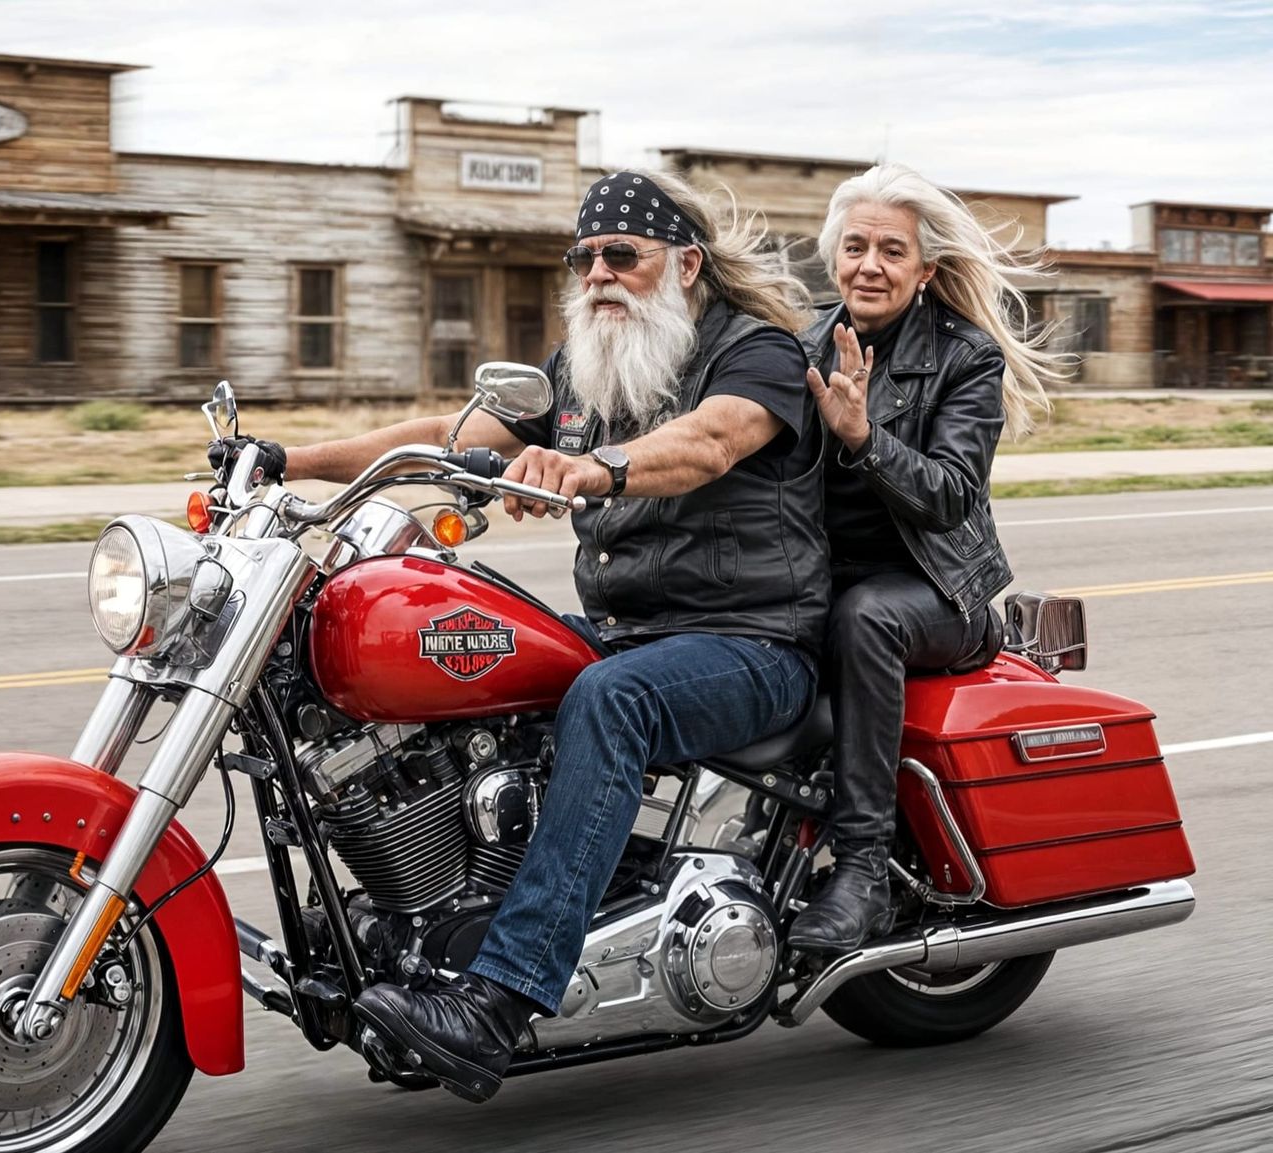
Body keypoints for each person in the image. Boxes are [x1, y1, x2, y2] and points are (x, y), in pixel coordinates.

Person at [277, 169, 829, 1102]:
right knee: (462, 655)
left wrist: (593, 467)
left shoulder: (755, 350)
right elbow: (445, 435)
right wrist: (288, 460)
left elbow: (710, 443)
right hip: (632, 628)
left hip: (754, 641)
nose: (600, 274)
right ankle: (425, 923)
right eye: (585, 259)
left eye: (624, 255)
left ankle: (496, 1003)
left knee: (610, 699)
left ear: (686, 264)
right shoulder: (583, 368)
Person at [786, 163, 1066, 954]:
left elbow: (948, 494)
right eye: (855, 246)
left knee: (864, 617)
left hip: (938, 594)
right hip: (822, 580)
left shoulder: (966, 356)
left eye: (891, 251)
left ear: (924, 270)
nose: (869, 265)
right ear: (832, 256)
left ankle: (865, 869)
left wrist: (864, 439)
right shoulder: (801, 344)